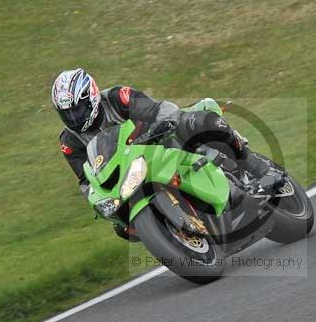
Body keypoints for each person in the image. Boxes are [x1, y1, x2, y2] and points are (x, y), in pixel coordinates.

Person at [51, 69, 276, 239]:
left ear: (91, 96)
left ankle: (251, 163)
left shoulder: (118, 97)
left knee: (198, 122)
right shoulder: (69, 141)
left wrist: (163, 123)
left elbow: (159, 108)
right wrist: (101, 203)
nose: (74, 118)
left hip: (161, 141)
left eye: (77, 109)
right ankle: (178, 231)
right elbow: (86, 180)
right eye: (67, 113)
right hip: (129, 173)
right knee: (123, 228)